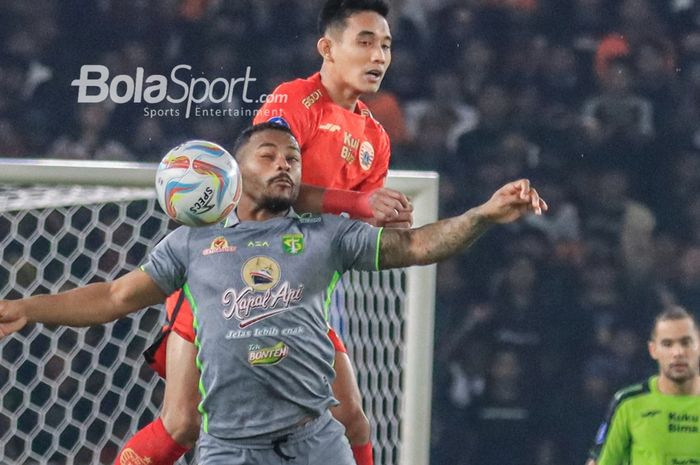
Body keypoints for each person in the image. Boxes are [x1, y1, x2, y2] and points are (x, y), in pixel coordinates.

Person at [0, 122, 547, 465]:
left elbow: (418, 246)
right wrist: (28, 308)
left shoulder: (326, 235)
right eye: (268, 153)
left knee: (351, 412)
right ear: (232, 172)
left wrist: (482, 214)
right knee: (178, 422)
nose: (285, 162)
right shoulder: (192, 243)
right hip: (231, 451)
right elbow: (117, 297)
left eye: (292, 155)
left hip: (315, 441)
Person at [118, 1, 411, 464]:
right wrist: (357, 202)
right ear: (327, 48)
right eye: (366, 42)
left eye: (387, 45)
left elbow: (352, 226)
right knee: (182, 421)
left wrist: (383, 219)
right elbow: (270, 183)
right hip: (229, 274)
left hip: (294, 292)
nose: (379, 56)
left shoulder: (376, 138)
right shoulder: (295, 99)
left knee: (352, 416)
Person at [585, 306, 700, 465]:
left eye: (686, 342)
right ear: (653, 350)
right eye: (667, 344)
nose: (678, 352)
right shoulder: (628, 403)